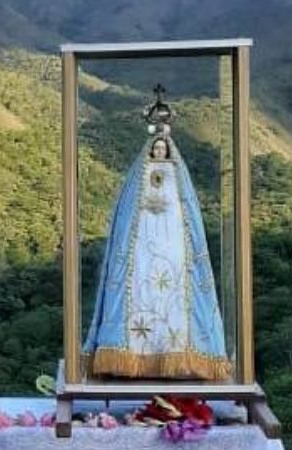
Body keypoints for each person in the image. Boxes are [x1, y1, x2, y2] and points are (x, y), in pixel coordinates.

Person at [82, 130, 231, 381]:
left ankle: (179, 359)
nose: (160, 152)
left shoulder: (177, 175)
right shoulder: (139, 175)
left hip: (173, 246)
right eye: (157, 148)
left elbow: (185, 215)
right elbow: (128, 215)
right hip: (142, 247)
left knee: (174, 301)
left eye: (163, 148)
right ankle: (130, 359)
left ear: (168, 150)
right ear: (151, 150)